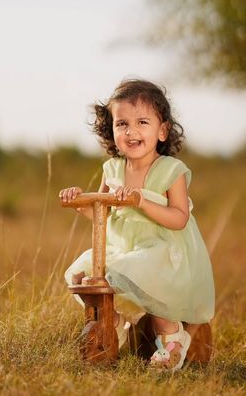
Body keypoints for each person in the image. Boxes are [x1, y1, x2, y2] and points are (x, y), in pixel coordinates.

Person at [59, 79, 215, 371]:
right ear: (112, 129)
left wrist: (141, 201)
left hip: (162, 246)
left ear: (162, 130)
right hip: (123, 245)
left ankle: (172, 337)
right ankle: (114, 323)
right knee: (81, 277)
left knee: (156, 294)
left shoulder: (171, 170)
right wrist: (81, 202)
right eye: (122, 124)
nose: (131, 132)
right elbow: (102, 214)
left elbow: (180, 218)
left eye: (142, 122)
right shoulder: (113, 168)